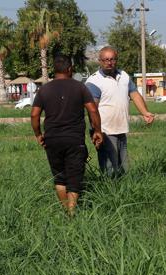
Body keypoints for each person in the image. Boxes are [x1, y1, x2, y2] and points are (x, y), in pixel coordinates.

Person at [31, 54, 103, 214]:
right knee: (74, 178)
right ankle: (72, 213)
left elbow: (34, 115)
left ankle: (66, 211)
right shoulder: (80, 87)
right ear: (70, 69)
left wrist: (38, 134)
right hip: (74, 140)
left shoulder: (44, 89)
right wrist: (97, 131)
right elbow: (92, 110)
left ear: (54, 70)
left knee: (60, 177)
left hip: (52, 140)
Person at [85, 46, 155, 177]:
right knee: (109, 169)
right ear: (100, 61)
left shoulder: (124, 76)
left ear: (116, 60)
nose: (109, 62)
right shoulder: (94, 81)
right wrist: (96, 130)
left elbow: (134, 94)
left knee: (123, 167)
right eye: (105, 59)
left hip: (121, 129)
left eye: (112, 59)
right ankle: (109, 193)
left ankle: (123, 192)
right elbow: (92, 109)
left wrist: (145, 113)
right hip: (104, 131)